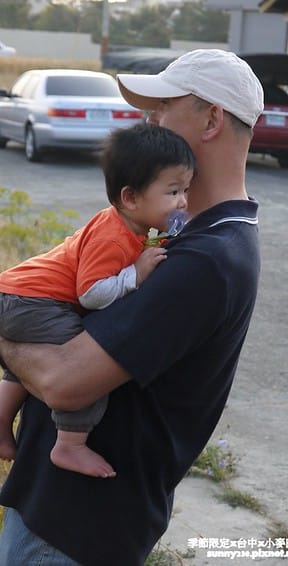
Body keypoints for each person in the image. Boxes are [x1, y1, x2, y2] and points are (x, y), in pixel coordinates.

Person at [0, 48, 263, 565]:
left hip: (77, 525)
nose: (147, 121)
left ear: (211, 119)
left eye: (161, 108)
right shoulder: (180, 235)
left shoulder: (206, 259)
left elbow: (61, 380)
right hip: (63, 511)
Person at [0, 122, 194, 479]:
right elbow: (91, 294)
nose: (183, 201)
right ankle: (69, 444)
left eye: (185, 189)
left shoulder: (129, 226)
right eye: (172, 192)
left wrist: (158, 243)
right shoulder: (113, 238)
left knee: (25, 361)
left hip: (18, 295)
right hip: (34, 301)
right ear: (131, 198)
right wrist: (134, 275)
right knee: (82, 363)